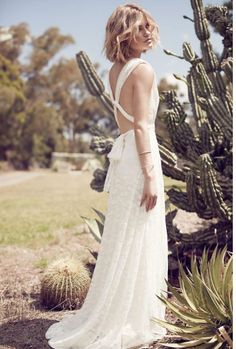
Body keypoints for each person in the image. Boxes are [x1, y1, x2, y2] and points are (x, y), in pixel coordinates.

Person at [45, 3, 168, 349]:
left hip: (125, 154)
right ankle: (130, 318)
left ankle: (121, 311)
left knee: (126, 234)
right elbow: (143, 125)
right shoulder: (142, 70)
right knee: (138, 234)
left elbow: (128, 124)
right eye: (139, 28)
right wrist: (150, 176)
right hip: (140, 157)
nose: (147, 33)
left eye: (148, 27)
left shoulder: (115, 70)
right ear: (124, 33)